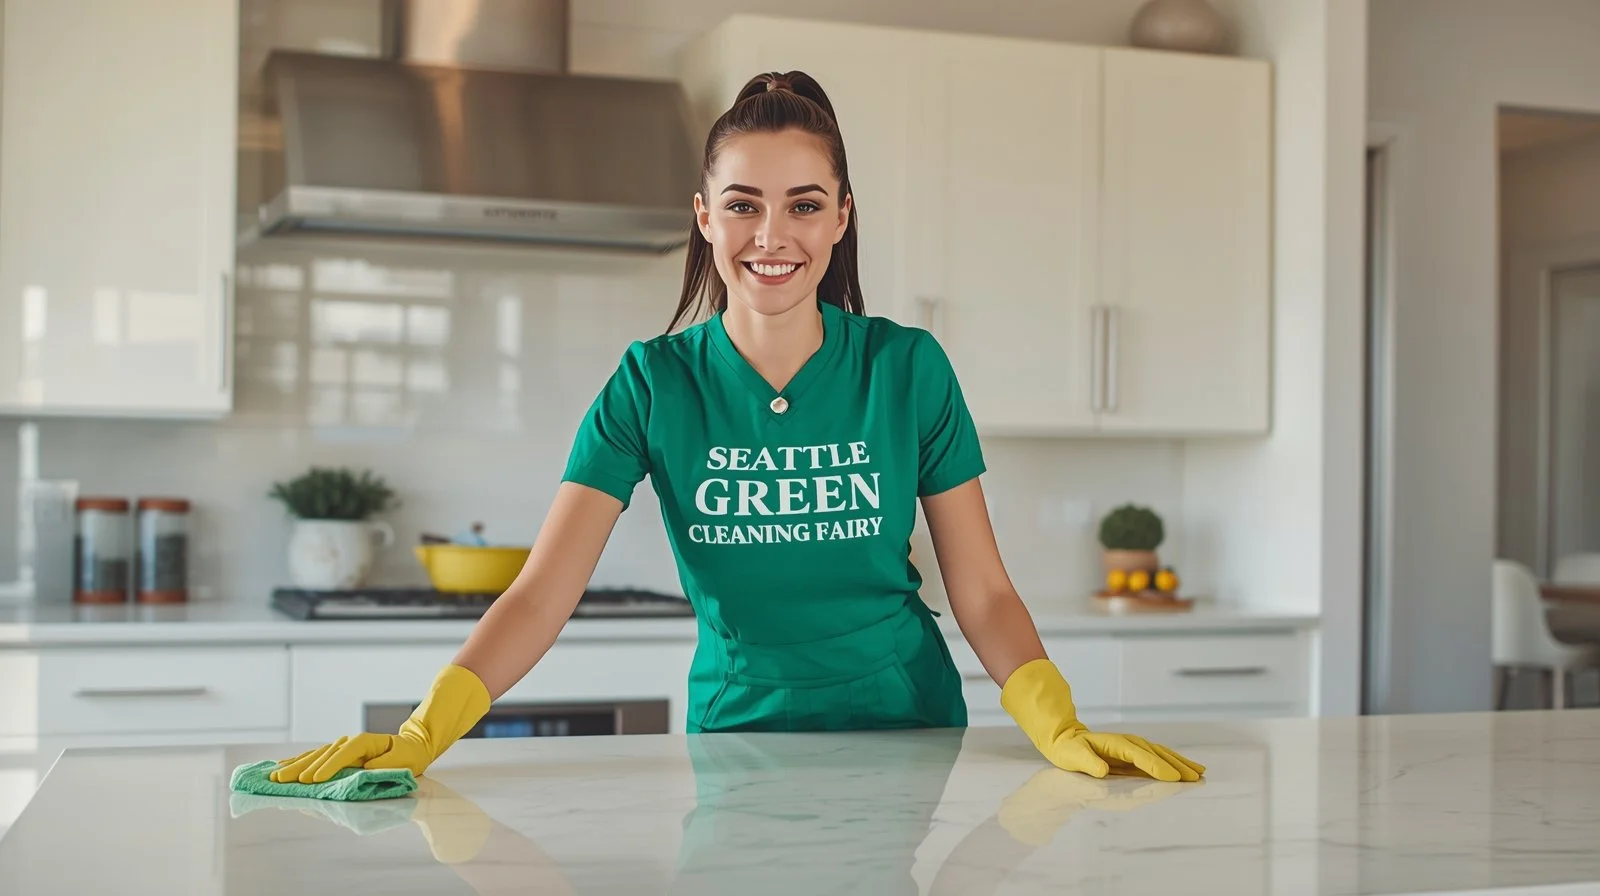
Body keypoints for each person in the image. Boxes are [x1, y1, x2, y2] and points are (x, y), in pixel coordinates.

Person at [269, 70, 1205, 788]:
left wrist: (1054, 720)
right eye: (744, 204)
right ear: (705, 217)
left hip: (911, 725)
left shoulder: (906, 367)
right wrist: (425, 729)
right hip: (737, 731)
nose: (773, 235)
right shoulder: (651, 383)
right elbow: (541, 594)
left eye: (804, 204)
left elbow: (985, 592)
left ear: (842, 216)